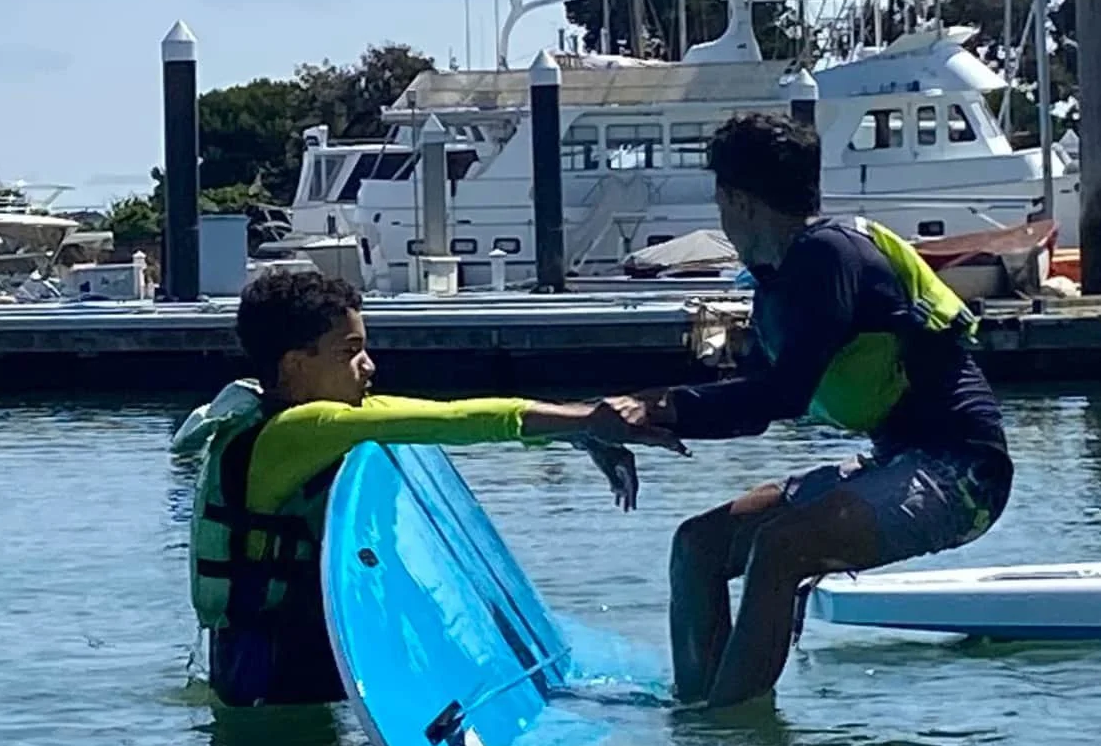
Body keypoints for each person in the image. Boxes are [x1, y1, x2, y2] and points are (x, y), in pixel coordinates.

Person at [608, 111, 1015, 711]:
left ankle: (732, 737)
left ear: (736, 200)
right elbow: (752, 402)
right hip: (893, 461)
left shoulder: (829, 258)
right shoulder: (783, 274)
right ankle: (694, 712)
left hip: (962, 476)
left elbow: (782, 397)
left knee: (780, 547)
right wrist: (642, 413)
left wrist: (658, 410)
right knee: (697, 547)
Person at [170, 269, 681, 707]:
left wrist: (579, 427)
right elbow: (460, 419)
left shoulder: (313, 420)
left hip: (276, 654)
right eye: (350, 351)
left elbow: (454, 416)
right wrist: (589, 420)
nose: (368, 365)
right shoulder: (300, 430)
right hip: (270, 675)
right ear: (294, 365)